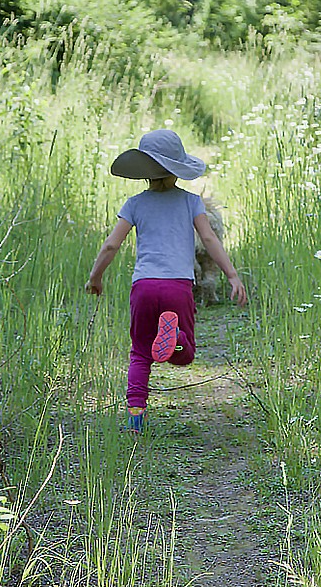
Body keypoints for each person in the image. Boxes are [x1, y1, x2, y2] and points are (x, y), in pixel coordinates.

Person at [84, 129, 248, 433]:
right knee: (185, 357)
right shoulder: (190, 202)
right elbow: (209, 238)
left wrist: (96, 277)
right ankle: (174, 342)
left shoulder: (134, 204)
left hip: (144, 287)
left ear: (145, 170)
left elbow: (111, 245)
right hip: (178, 286)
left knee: (140, 353)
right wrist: (232, 275)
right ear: (177, 169)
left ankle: (135, 417)